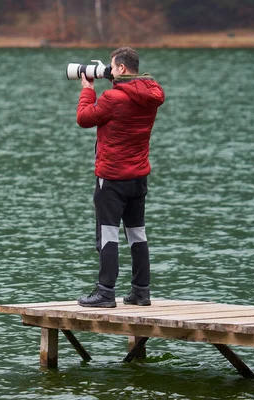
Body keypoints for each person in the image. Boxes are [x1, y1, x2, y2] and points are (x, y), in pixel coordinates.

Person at [76, 47, 165, 308]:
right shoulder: (150, 96)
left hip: (112, 178)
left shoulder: (112, 98)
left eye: (113, 67)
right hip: (138, 178)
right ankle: (140, 291)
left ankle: (105, 293)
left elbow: (83, 118)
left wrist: (87, 89)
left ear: (122, 69)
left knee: (108, 235)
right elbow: (130, 92)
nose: (110, 71)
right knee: (137, 235)